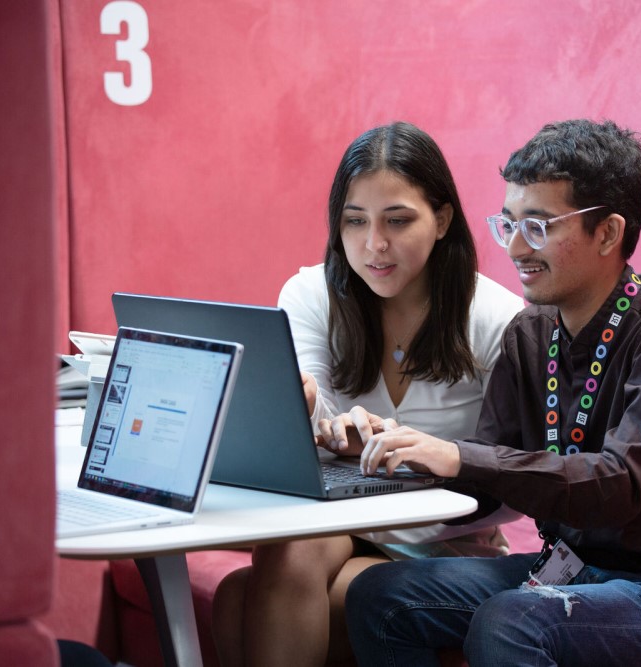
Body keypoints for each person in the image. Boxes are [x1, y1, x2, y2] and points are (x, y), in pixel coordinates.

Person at [334, 119, 641, 666]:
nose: (515, 247)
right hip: (573, 571)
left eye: (538, 226)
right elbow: (488, 489)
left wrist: (458, 454)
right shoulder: (531, 333)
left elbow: (621, 484)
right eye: (508, 223)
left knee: (512, 618)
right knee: (380, 595)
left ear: (607, 233)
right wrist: (386, 460)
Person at [211, 122, 524, 667]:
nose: (373, 245)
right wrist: (306, 412)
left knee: (240, 599)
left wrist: (422, 459)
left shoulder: (496, 319)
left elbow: (514, 480)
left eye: (397, 221)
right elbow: (317, 424)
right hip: (338, 524)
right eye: (355, 221)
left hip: (443, 543)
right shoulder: (310, 294)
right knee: (272, 565)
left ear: (443, 219)